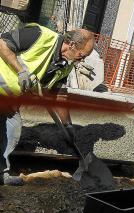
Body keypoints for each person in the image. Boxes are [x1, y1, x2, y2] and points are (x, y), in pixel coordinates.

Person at [0, 23, 95, 186]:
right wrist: (21, 70)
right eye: (82, 54)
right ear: (71, 45)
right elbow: (2, 43)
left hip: (10, 99)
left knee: (13, 129)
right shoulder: (39, 35)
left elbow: (59, 95)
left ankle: (1, 173)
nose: (82, 59)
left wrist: (68, 126)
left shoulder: (66, 65)